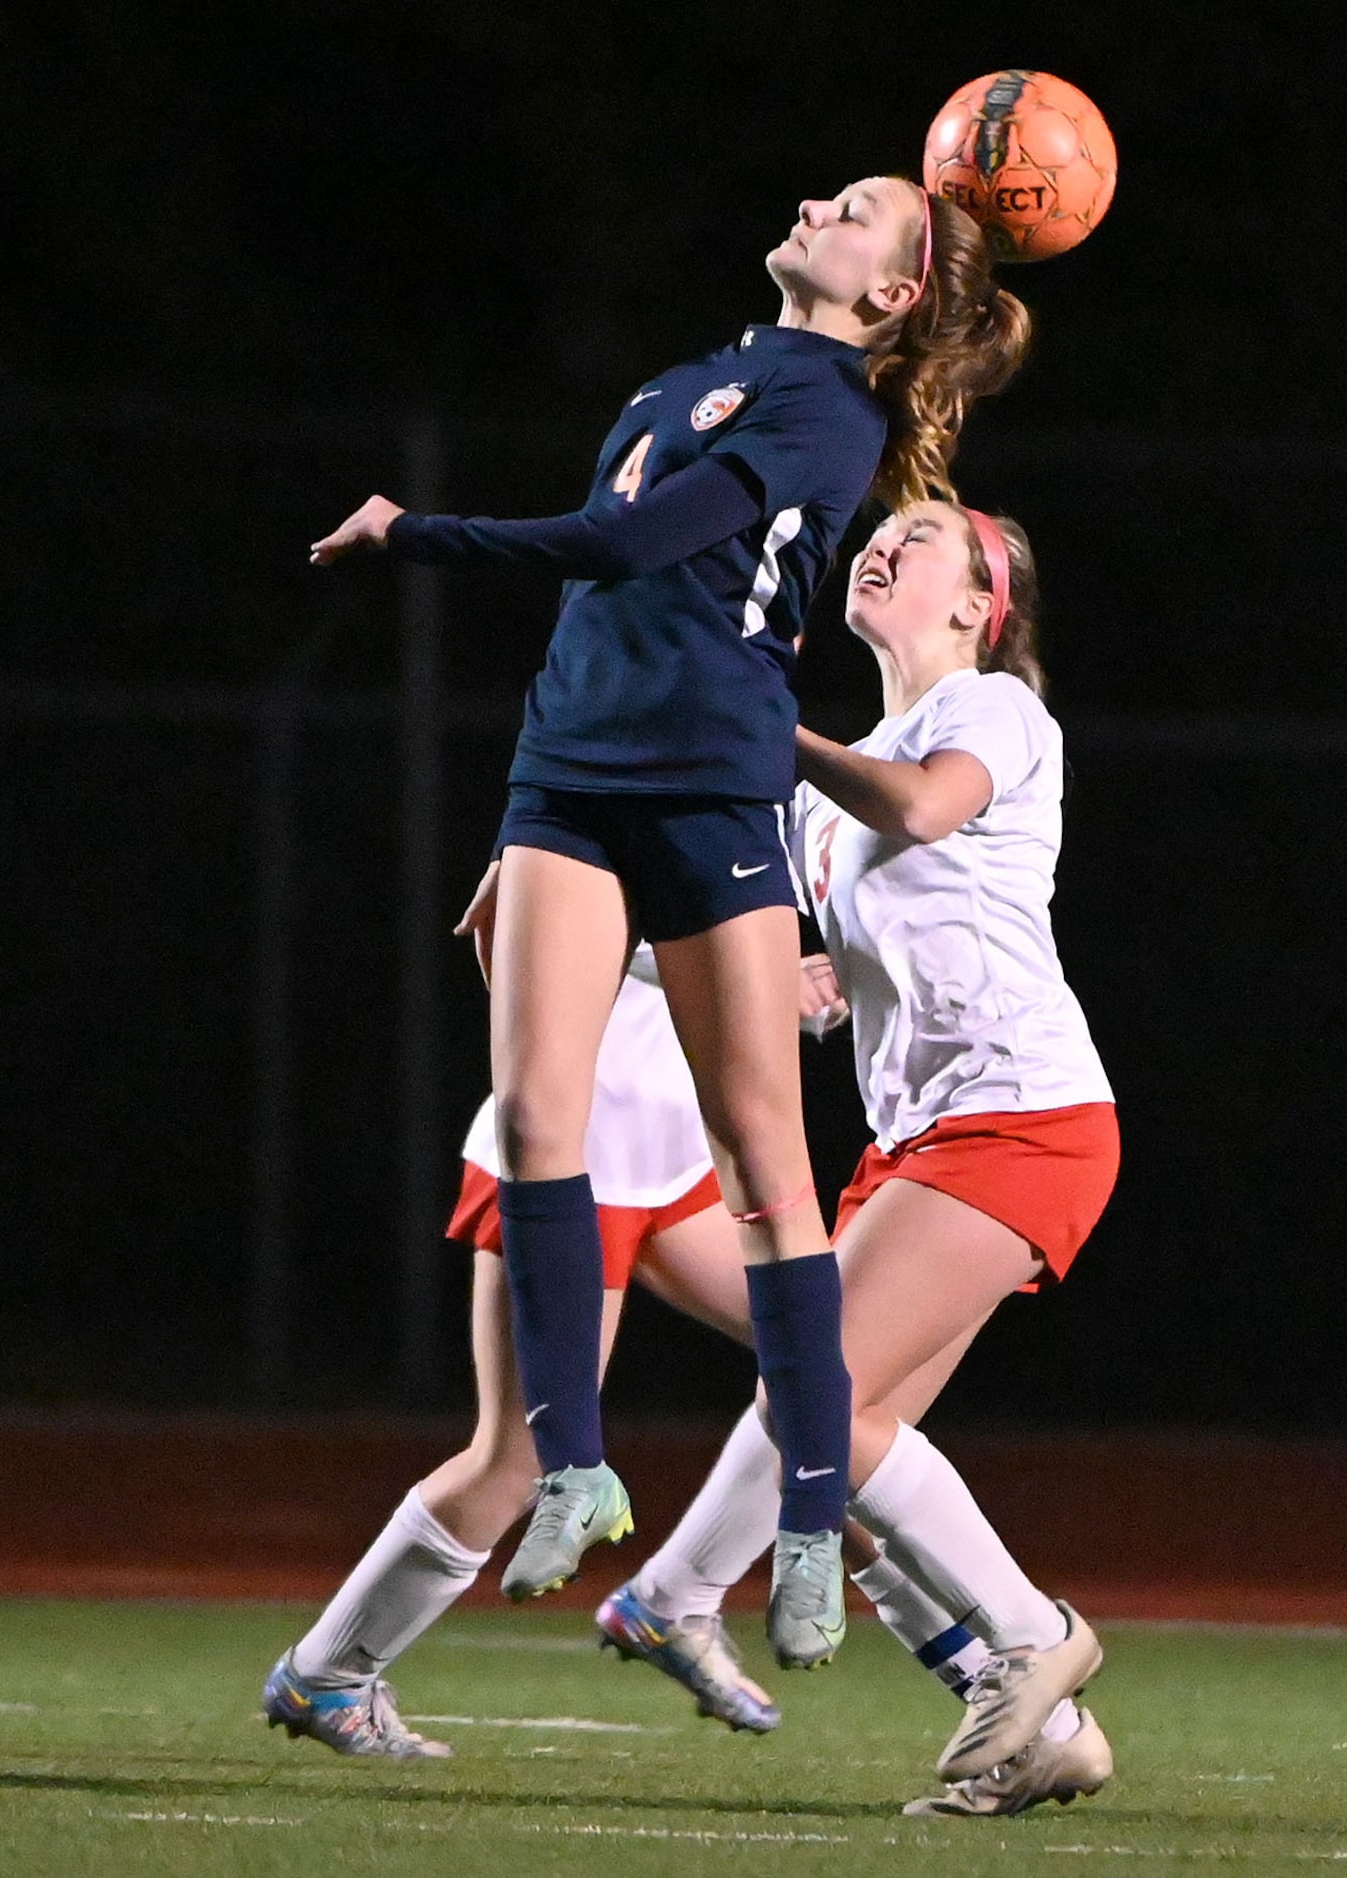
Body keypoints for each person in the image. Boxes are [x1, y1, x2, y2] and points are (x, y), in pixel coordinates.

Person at [307, 177, 1031, 1658]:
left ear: (891, 295)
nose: (814, 203)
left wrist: (417, 537)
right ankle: (571, 1466)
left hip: (709, 775)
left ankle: (812, 1522)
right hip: (565, 768)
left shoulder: (836, 409)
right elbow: (609, 586)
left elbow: (634, 546)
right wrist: (524, 793)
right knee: (529, 1120)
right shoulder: (689, 375)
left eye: (855, 210)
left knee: (764, 1152)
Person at [597, 500, 1121, 1820]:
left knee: (812, 1390)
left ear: (977, 604)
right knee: (852, 1446)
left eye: (927, 535)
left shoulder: (992, 712)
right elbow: (755, 953)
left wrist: (769, 729)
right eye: (882, 530)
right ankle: (1044, 1729)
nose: (886, 541)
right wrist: (580, 923)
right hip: (917, 1140)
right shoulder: (827, 798)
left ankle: (1021, 1629)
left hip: (1024, 1116)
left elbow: (926, 813)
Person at [259, 919, 1048, 1763]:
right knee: (519, 1458)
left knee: (836, 1387)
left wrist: (787, 990)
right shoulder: (599, 789)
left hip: (673, 1164)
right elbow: (530, 925)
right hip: (574, 1162)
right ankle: (328, 1674)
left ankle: (685, 1602)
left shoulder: (748, 805)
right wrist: (737, 973)